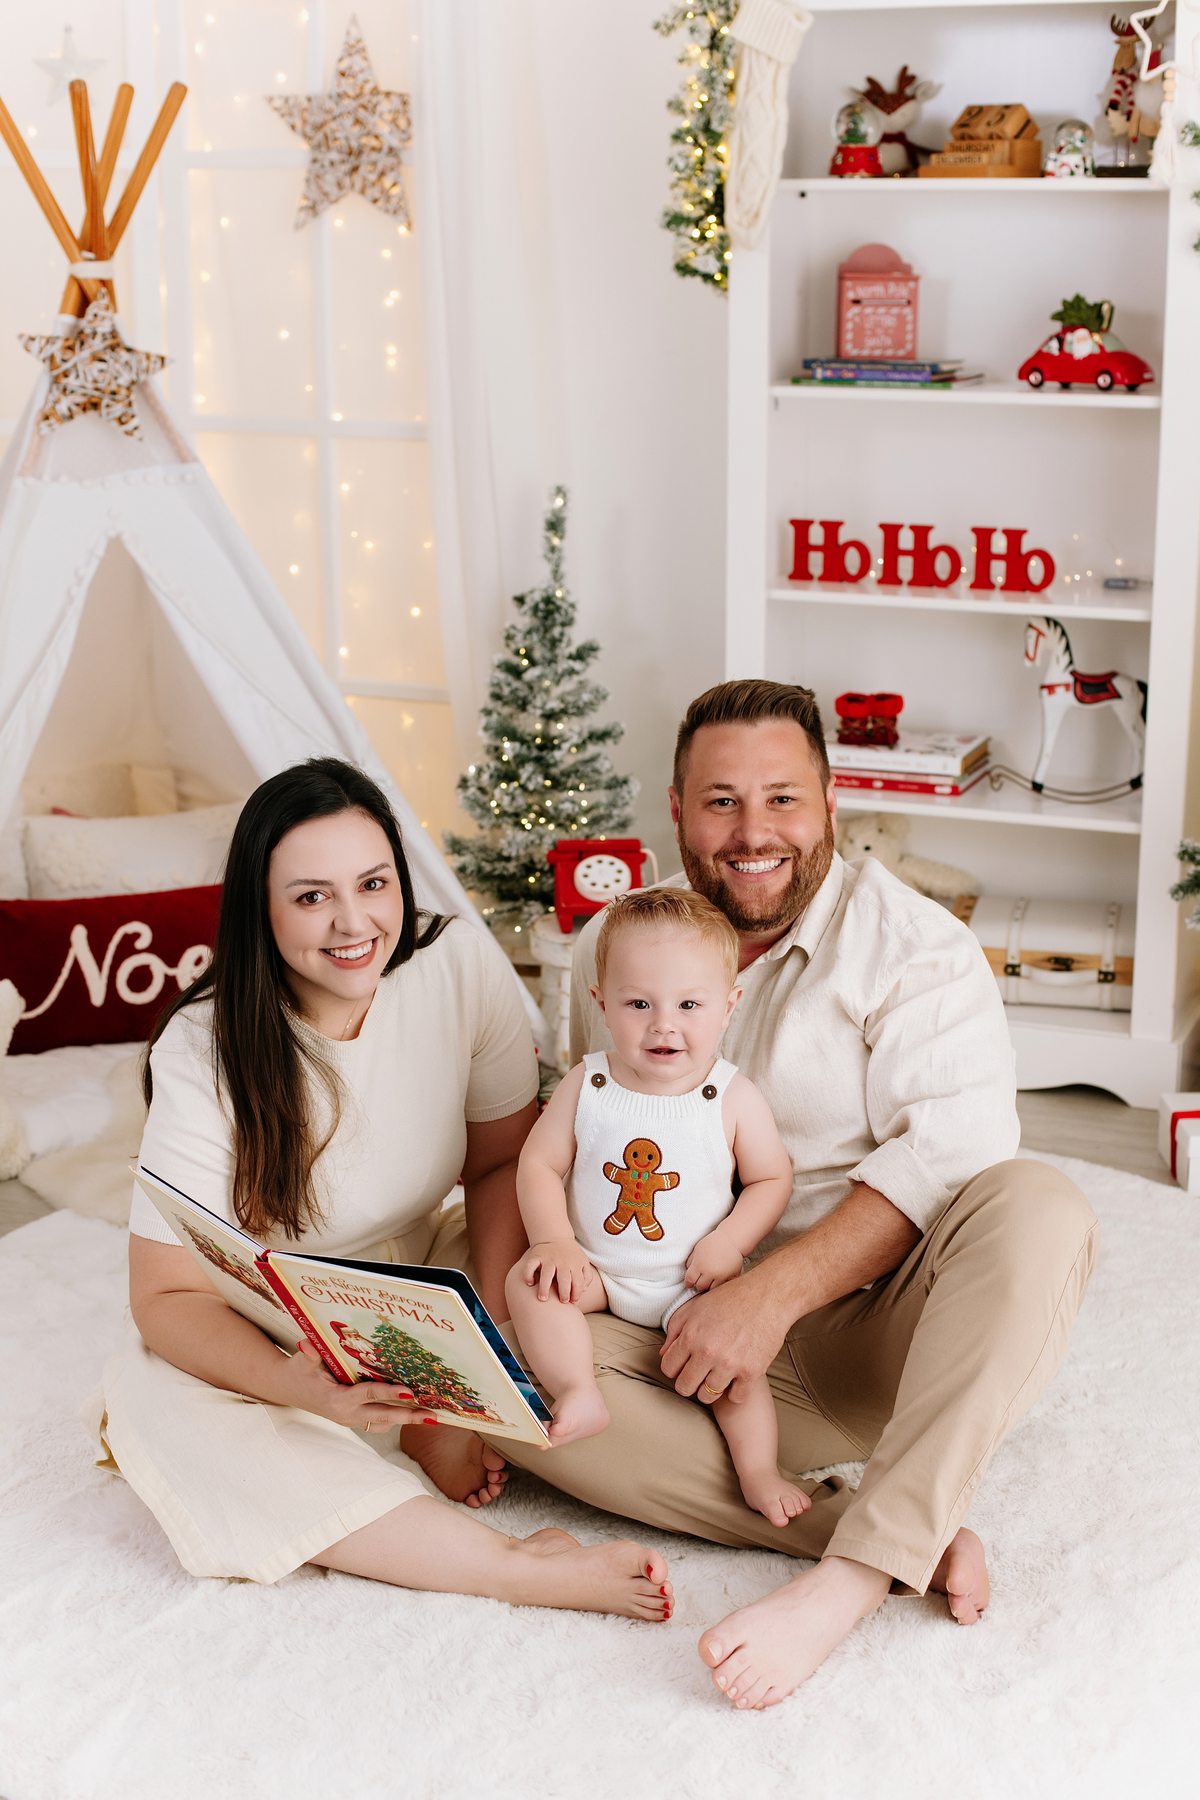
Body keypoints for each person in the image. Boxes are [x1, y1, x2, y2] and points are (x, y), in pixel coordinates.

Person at [431, 680, 1097, 1707]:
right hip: (670, 1333)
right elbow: (583, 1139)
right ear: (677, 810)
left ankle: (851, 1577)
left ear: (831, 803)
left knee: (1041, 1207)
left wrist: (767, 1294)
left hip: (866, 1335)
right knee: (476, 1305)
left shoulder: (917, 950)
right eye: (722, 802)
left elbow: (950, 1160)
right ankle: (887, 1532)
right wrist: (541, 1286)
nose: (753, 833)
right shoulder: (621, 943)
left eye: (783, 798)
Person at [83, 758, 672, 1624]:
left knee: (563, 1289)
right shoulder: (201, 1048)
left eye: (373, 883)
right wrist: (300, 1386)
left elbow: (500, 1164)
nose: (354, 923)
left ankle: (422, 1422)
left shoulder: (457, 964)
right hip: (274, 1316)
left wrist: (482, 1358)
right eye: (311, 897)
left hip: (426, 1266)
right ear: (260, 908)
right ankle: (511, 1565)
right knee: (158, 1402)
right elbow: (165, 1295)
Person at [507, 887, 809, 1529]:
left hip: (691, 1284)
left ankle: (759, 1471)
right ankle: (577, 1389)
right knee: (527, 1284)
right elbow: (539, 1165)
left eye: (689, 1005)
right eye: (638, 1003)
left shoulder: (729, 1095)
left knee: (738, 1371)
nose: (663, 1024)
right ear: (601, 1003)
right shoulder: (587, 1082)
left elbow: (770, 1178)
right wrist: (554, 1242)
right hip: (598, 1270)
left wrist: (730, 1241)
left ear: (729, 1006)